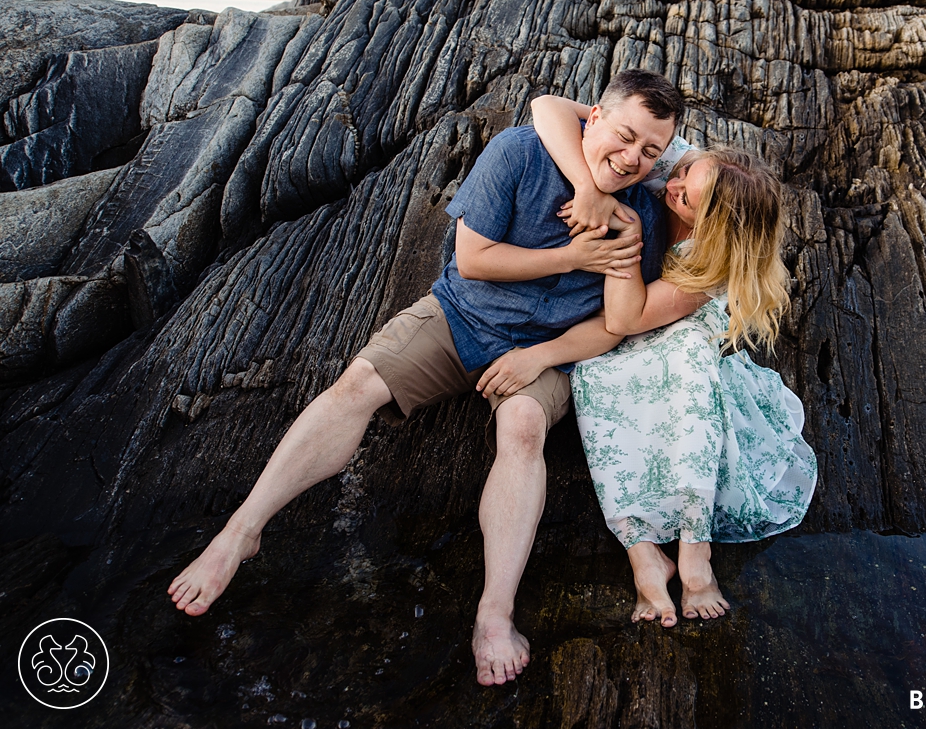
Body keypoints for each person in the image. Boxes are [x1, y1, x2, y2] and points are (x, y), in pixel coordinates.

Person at [167, 70, 685, 686]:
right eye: (624, 136)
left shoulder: (645, 211)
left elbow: (613, 322)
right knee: (356, 385)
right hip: (461, 314)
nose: (631, 159)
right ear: (593, 117)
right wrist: (573, 255)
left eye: (649, 151)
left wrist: (541, 358)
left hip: (552, 348)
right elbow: (475, 260)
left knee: (522, 427)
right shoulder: (520, 151)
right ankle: (240, 533)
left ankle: (494, 612)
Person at [531, 97, 817, 628]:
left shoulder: (711, 259)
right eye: (685, 173)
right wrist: (591, 190)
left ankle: (694, 549)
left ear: (713, 226)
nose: (673, 188)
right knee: (597, 375)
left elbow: (625, 317)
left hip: (674, 328)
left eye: (689, 200)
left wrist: (630, 234)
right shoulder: (676, 164)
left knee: (682, 364)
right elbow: (547, 107)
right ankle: (644, 556)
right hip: (630, 323)